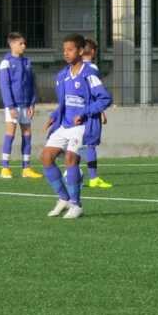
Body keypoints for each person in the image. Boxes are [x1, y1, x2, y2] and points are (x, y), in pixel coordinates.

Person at [41, 34, 113, 219]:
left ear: (81, 51)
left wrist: (85, 112)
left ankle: (76, 204)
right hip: (64, 125)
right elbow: (64, 103)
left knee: (71, 159)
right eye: (64, 50)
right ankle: (64, 198)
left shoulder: (89, 74)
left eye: (70, 50)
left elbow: (105, 98)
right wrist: (54, 116)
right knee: (46, 157)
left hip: (83, 126)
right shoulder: (62, 76)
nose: (66, 53)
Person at [0, 31, 41, 180]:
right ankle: (5, 168)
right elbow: (5, 86)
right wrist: (10, 106)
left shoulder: (27, 62)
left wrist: (32, 103)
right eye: (20, 43)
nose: (24, 46)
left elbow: (32, 84)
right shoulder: (6, 63)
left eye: (24, 43)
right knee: (10, 133)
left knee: (27, 135)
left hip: (26, 105)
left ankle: (26, 168)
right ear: (12, 44)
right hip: (13, 105)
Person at [81, 38, 112, 189]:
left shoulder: (73, 69)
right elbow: (97, 93)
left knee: (76, 144)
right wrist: (101, 109)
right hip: (90, 112)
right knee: (90, 145)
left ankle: (73, 174)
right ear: (93, 52)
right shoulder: (92, 68)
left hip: (75, 112)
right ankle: (92, 178)